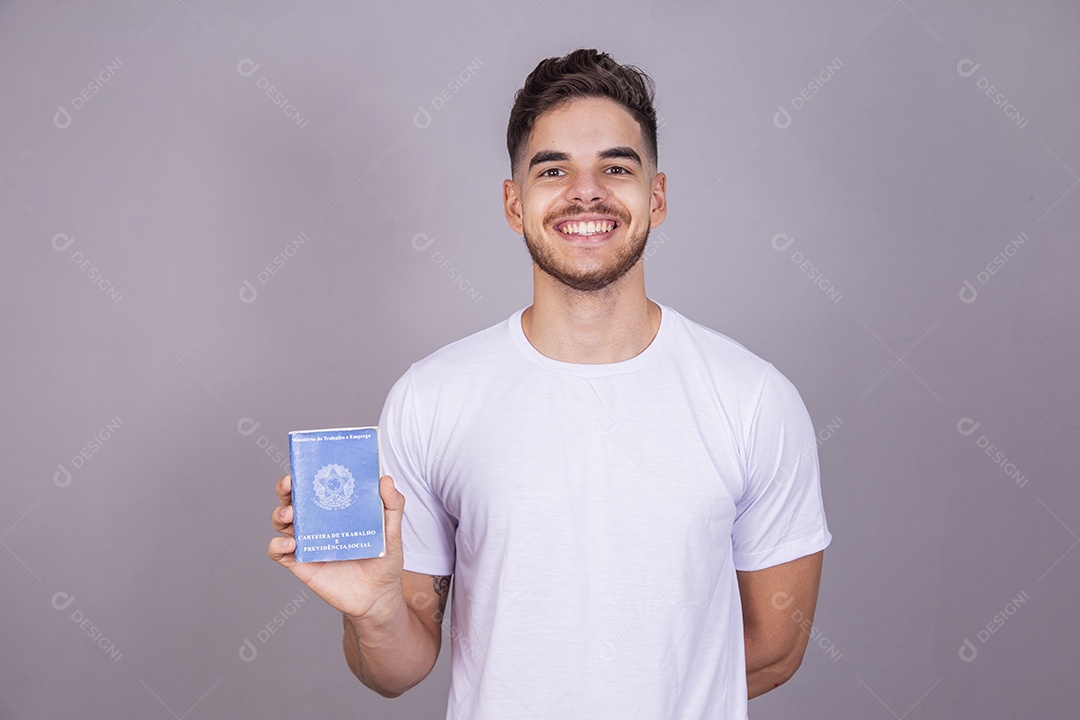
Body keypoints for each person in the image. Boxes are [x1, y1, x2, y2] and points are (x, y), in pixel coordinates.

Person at [270, 47, 832, 719]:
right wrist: (378, 609)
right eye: (553, 169)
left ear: (656, 195)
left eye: (616, 167)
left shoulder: (754, 400)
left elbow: (774, 649)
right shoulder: (432, 400)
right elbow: (396, 670)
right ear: (514, 203)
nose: (585, 191)